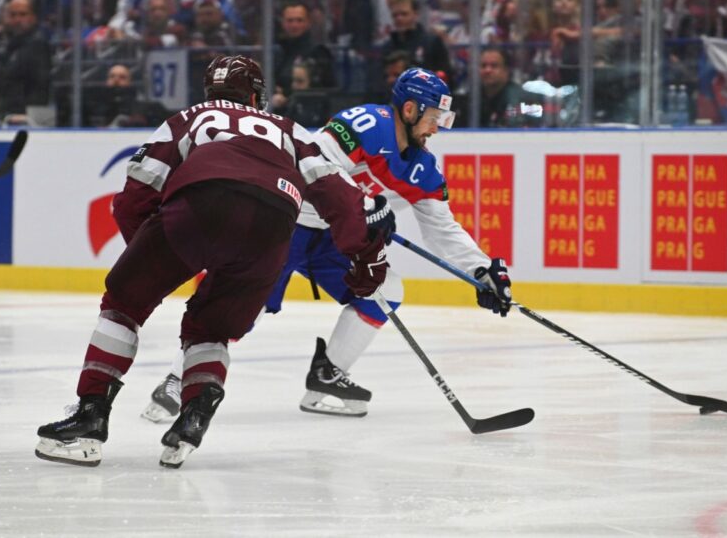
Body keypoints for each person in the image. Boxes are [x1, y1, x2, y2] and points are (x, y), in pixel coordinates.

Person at [34, 55, 390, 469]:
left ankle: (91, 416)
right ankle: (193, 418)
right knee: (212, 329)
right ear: (257, 96)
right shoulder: (289, 130)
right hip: (274, 225)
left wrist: (153, 258)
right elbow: (339, 195)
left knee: (123, 306)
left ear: (211, 92)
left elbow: (137, 192)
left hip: (198, 206)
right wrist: (365, 254)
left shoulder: (191, 117)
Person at [142, 67, 513, 421]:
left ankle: (327, 376)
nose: (437, 128)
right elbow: (313, 166)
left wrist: (481, 270)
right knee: (243, 308)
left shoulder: (423, 169)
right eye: (434, 117)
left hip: (334, 237)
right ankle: (178, 380)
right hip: (286, 221)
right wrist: (366, 207)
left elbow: (442, 228)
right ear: (411, 109)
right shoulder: (365, 124)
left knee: (385, 287)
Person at [0, 0, 52, 123]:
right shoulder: (9, 47)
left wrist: (27, 115)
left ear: (33, 17)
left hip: (25, 118)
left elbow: (40, 87)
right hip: (5, 116)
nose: (17, 19)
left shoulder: (38, 45)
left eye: (22, 14)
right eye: (13, 15)